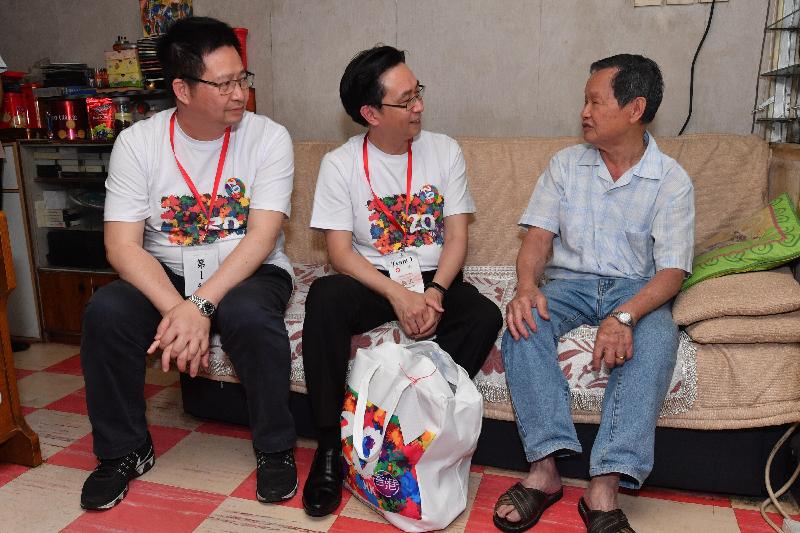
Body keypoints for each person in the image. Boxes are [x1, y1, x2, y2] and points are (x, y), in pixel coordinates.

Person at [79, 16, 297, 510]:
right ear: (181, 87)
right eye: (224, 84)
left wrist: (201, 302)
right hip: (166, 271)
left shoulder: (268, 138)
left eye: (243, 78)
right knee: (107, 312)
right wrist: (181, 308)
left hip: (249, 268)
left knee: (247, 313)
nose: (239, 93)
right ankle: (123, 452)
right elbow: (122, 246)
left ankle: (275, 448)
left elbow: (262, 237)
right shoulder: (138, 144)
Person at [494, 54, 694, 533]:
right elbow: (538, 238)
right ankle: (544, 471)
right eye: (584, 100)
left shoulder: (671, 180)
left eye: (595, 101)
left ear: (634, 108)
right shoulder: (565, 165)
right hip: (569, 286)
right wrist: (525, 288)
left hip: (636, 288)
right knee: (523, 323)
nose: (584, 111)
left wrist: (625, 316)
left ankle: (604, 484)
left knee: (659, 338)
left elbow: (671, 272)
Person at [301, 45, 503, 517]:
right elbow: (339, 252)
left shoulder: (443, 149)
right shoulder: (340, 164)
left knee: (482, 315)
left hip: (433, 274)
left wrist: (433, 292)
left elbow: (455, 238)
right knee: (325, 298)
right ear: (370, 113)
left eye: (419, 93)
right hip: (374, 277)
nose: (419, 107)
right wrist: (397, 294)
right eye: (407, 99)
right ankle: (330, 447)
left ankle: (411, 426)